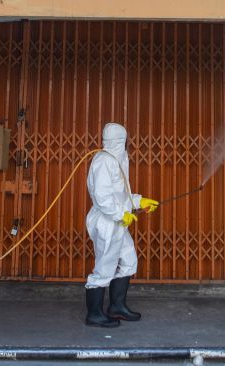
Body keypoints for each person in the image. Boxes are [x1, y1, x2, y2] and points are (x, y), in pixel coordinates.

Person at [84, 122, 159, 328]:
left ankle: (117, 306)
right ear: (118, 141)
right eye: (123, 141)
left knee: (129, 261)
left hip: (118, 222)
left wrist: (140, 201)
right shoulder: (103, 161)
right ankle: (94, 314)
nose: (126, 144)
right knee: (104, 268)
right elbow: (102, 197)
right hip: (107, 222)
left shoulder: (119, 159)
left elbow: (121, 194)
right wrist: (120, 214)